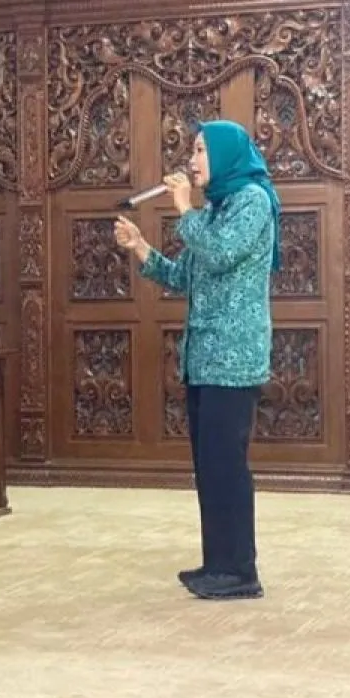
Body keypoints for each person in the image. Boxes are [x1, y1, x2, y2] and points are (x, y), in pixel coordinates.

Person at [113, 119, 280, 601]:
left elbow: (223, 253)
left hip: (234, 358)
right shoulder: (217, 208)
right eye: (193, 151)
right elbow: (185, 274)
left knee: (227, 465)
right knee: (209, 466)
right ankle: (218, 564)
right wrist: (140, 247)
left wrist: (184, 208)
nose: (192, 160)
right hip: (203, 358)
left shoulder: (252, 200)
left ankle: (241, 572)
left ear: (226, 154)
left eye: (202, 150)